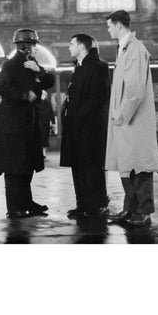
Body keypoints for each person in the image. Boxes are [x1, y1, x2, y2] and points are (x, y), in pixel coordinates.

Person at [0, 28, 55, 219]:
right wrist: (24, 95)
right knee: (14, 168)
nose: (36, 49)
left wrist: (39, 70)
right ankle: (14, 207)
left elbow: (49, 81)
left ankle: (26, 202)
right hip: (12, 127)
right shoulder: (10, 65)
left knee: (26, 167)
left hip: (27, 125)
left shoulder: (32, 64)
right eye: (34, 45)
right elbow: (1, 87)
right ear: (25, 47)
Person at [105, 10, 158, 227]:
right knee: (128, 165)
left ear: (119, 26)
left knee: (140, 166)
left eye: (109, 25)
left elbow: (134, 89)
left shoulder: (135, 49)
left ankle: (143, 212)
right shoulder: (125, 49)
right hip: (126, 122)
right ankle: (130, 209)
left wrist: (121, 114)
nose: (108, 29)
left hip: (132, 120)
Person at [60, 34, 111, 218]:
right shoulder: (78, 67)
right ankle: (82, 204)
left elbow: (98, 98)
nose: (69, 47)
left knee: (91, 168)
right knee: (78, 167)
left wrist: (77, 116)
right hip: (75, 127)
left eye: (72, 44)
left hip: (90, 129)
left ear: (82, 47)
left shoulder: (99, 66)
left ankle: (97, 205)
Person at [37, 91, 55, 160]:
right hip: (39, 124)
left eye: (44, 95)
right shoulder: (37, 103)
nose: (43, 96)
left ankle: (44, 153)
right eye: (42, 94)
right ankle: (41, 153)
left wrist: (53, 122)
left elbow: (51, 113)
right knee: (40, 139)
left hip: (46, 124)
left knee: (45, 139)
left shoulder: (48, 103)